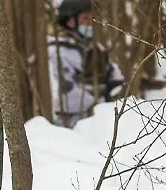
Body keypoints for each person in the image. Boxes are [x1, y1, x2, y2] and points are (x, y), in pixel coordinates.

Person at [47, 0, 126, 128]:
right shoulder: (57, 51)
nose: (90, 23)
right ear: (70, 21)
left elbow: (116, 78)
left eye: (92, 19)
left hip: (102, 118)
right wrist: (98, 103)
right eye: (85, 19)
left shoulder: (97, 49)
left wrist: (113, 90)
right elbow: (64, 94)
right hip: (69, 123)